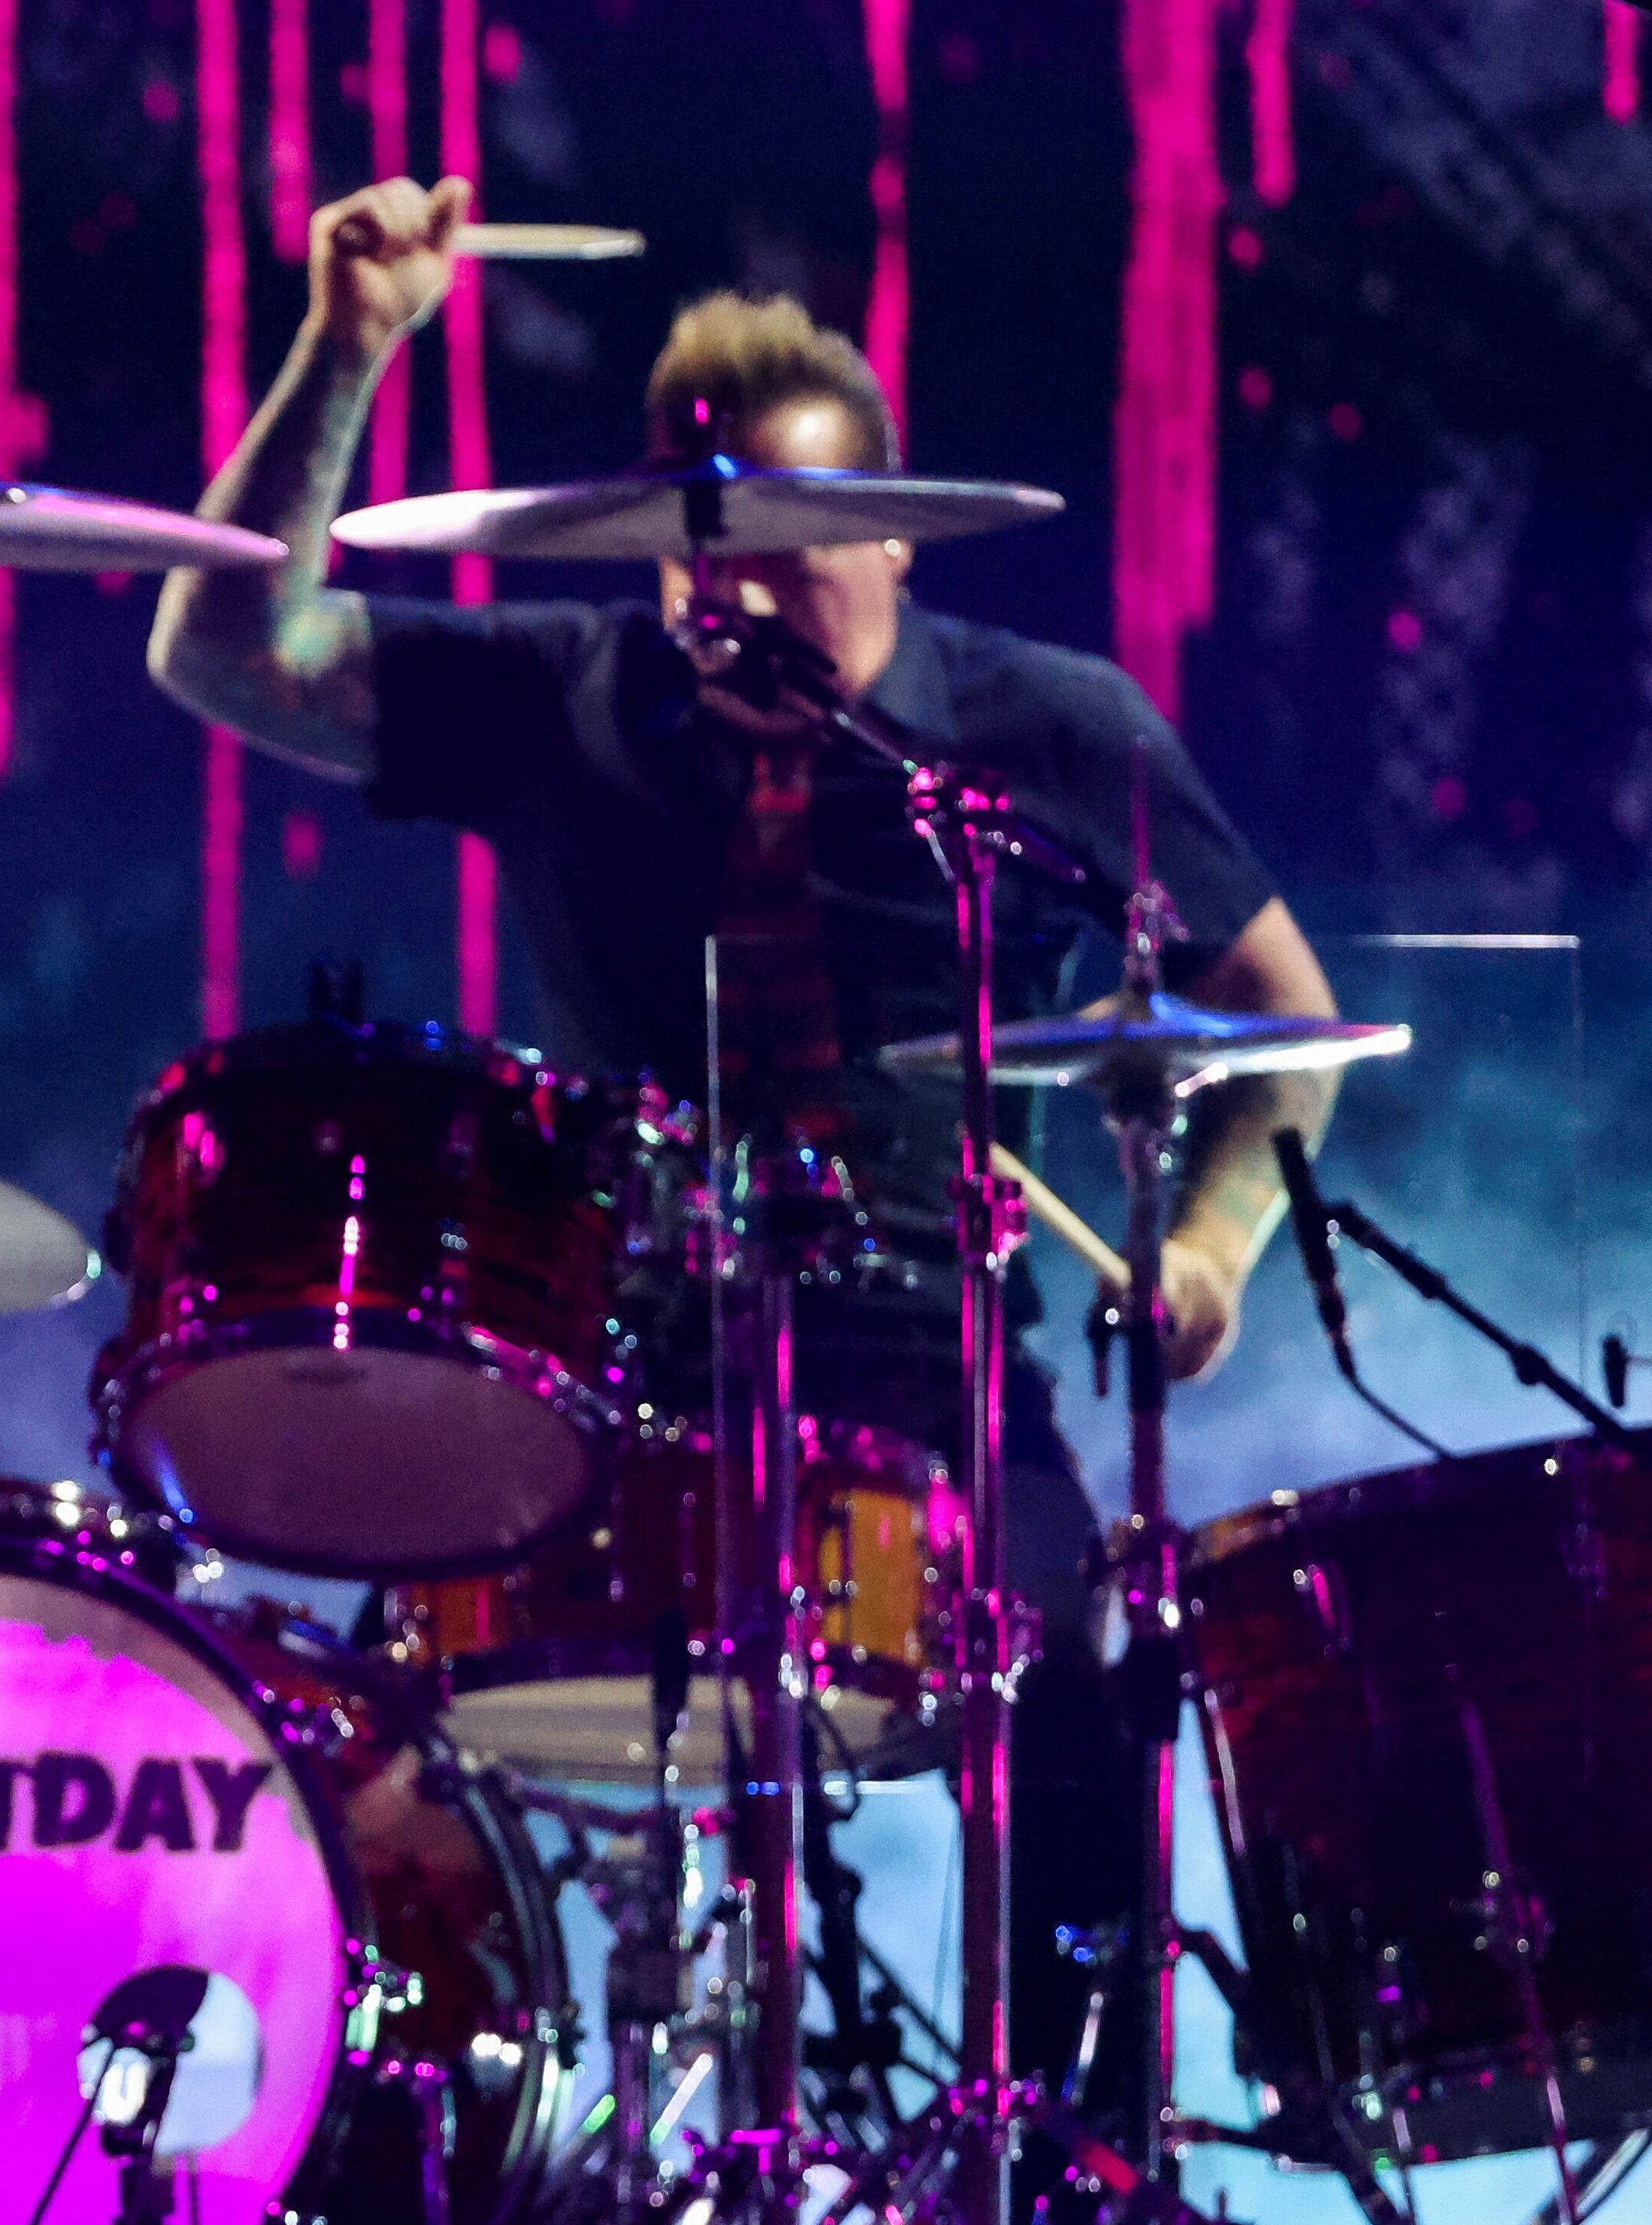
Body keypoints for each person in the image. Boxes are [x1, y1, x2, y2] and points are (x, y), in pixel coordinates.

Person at [149, 178, 1346, 2117]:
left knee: (1077, 1727)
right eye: (692, 557)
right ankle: (447, 2200)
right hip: (604, 1351)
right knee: (379, 1755)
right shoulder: (563, 697)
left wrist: (1208, 1241)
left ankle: (1064, 2215)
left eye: (781, 557)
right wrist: (349, 347)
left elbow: (1284, 1013)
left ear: (886, 537)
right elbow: (222, 654)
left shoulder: (1047, 733)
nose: (727, 598)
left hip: (922, 1347)